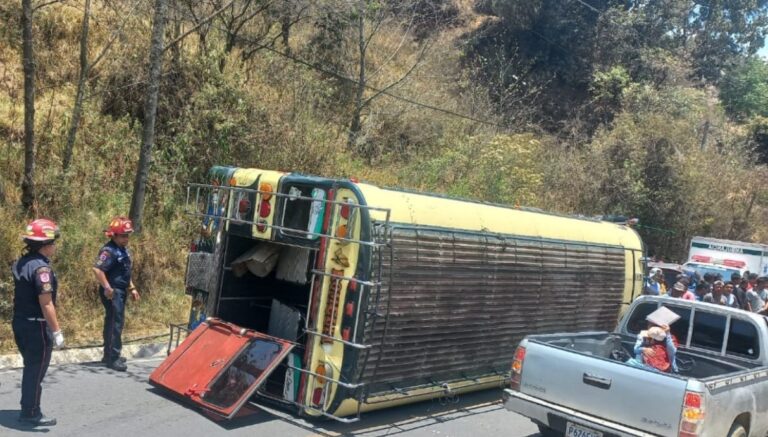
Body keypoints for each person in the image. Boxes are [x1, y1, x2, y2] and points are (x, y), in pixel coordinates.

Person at [12, 219, 65, 426]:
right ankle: (30, 412)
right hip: (37, 326)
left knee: (31, 367)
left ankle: (29, 406)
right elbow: (46, 304)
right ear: (45, 245)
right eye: (53, 242)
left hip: (20, 323)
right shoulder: (41, 270)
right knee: (35, 371)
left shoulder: (21, 262)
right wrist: (57, 331)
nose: (55, 246)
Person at [91, 217, 140, 372]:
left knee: (113, 321)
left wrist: (132, 288)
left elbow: (124, 271)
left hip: (121, 290)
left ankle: (110, 353)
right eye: (123, 236)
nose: (126, 238)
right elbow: (97, 270)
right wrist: (107, 288)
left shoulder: (123, 249)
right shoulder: (109, 251)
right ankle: (113, 357)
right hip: (113, 292)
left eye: (127, 235)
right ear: (114, 235)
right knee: (115, 323)